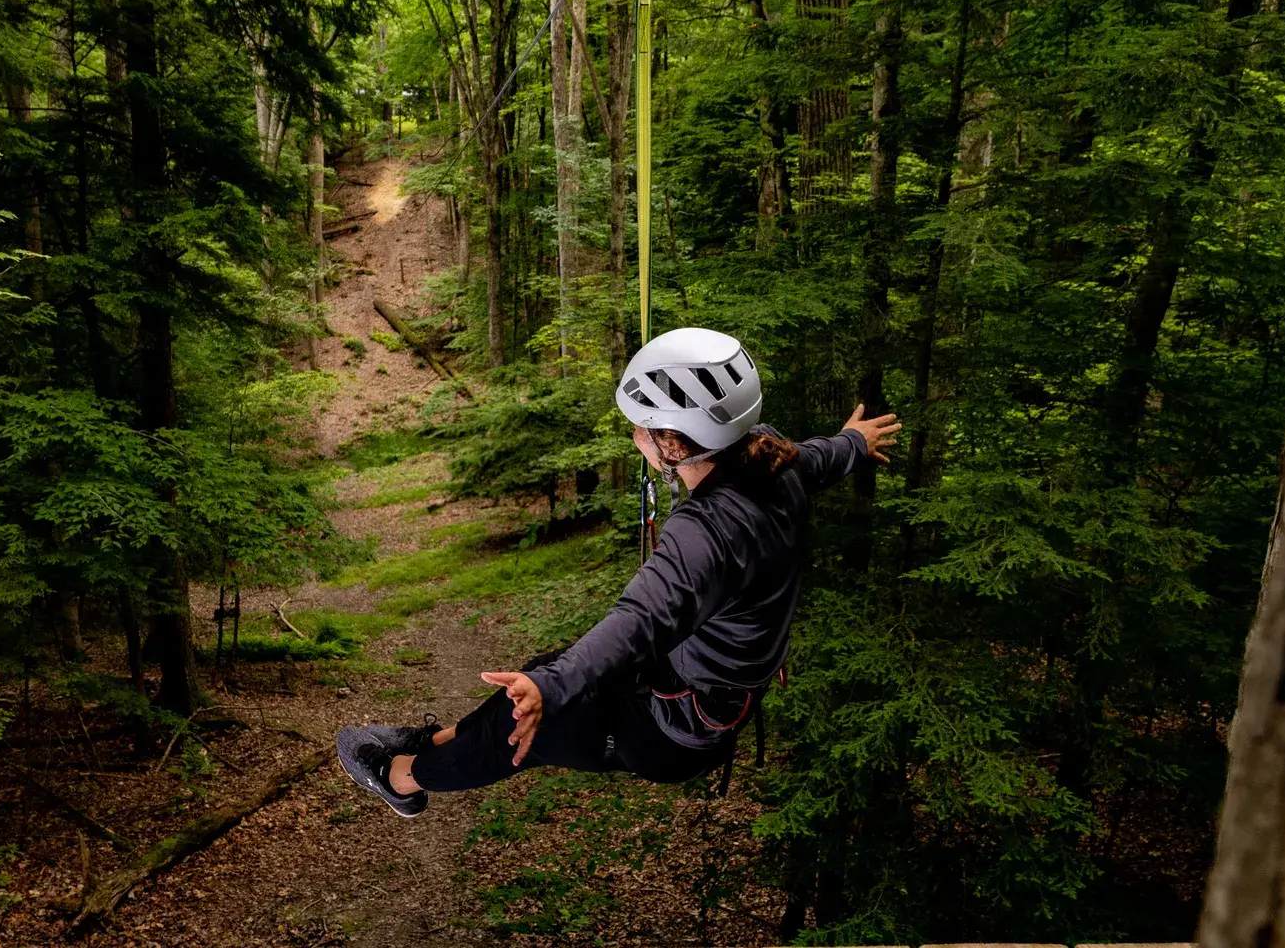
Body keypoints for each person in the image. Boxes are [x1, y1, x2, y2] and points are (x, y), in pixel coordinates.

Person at [335, 327, 900, 817]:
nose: (633, 436)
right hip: (685, 689)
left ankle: (398, 778)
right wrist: (855, 441)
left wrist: (550, 688)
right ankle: (428, 741)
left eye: (640, 426)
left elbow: (639, 621)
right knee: (539, 676)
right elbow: (822, 457)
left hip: (670, 731)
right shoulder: (776, 462)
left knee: (516, 733)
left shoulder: (705, 532)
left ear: (673, 445)